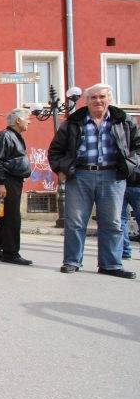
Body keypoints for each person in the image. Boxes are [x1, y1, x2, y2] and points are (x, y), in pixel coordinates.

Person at [48, 83, 140, 279]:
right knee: (75, 222)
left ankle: (111, 264)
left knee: (113, 223)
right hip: (80, 176)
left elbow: (137, 146)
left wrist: (130, 165)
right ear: (87, 101)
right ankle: (72, 261)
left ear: (109, 99)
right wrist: (61, 170)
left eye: (102, 97)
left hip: (113, 176)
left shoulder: (123, 120)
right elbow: (55, 150)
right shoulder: (73, 122)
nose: (98, 101)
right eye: (93, 97)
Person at [0, 108, 33, 265]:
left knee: (5, 218)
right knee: (11, 219)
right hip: (6, 183)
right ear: (18, 121)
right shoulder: (4, 136)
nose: (29, 122)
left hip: (11, 182)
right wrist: (0, 183)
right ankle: (11, 253)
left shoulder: (14, 136)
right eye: (27, 119)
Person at [120, 173, 140, 259]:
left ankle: (125, 251)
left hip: (121, 185)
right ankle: (125, 251)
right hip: (137, 186)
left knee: (121, 220)